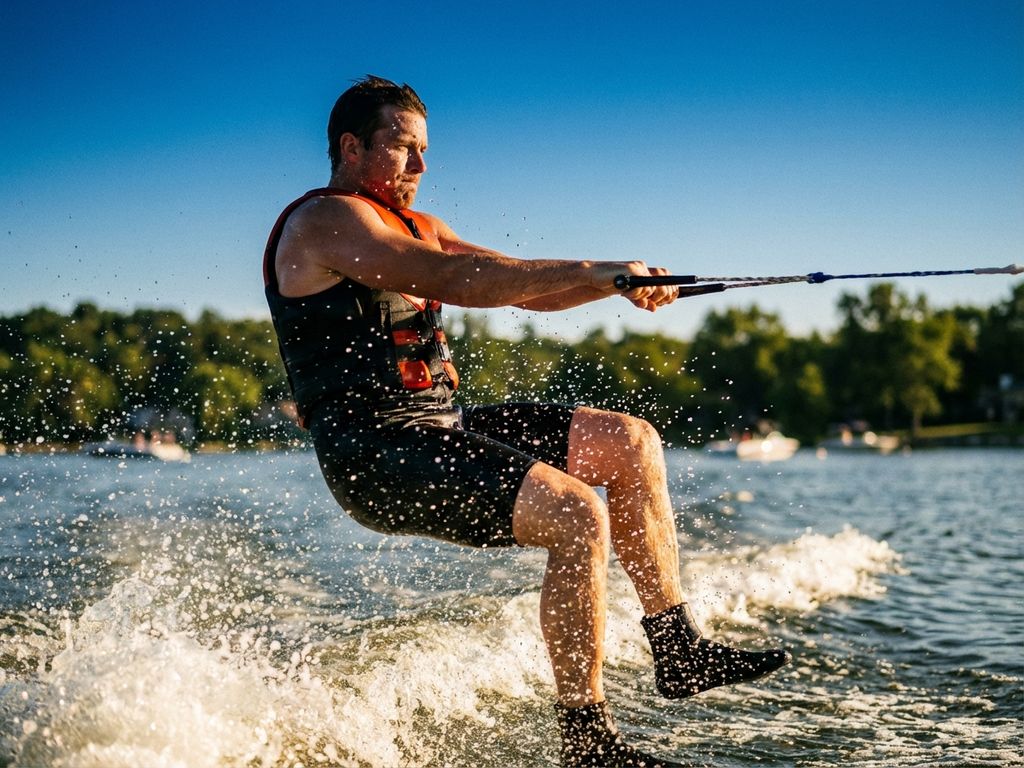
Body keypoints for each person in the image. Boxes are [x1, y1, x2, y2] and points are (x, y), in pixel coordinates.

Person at [263, 75, 791, 768]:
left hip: (440, 426)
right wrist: (599, 269)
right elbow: (457, 281)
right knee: (577, 516)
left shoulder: (421, 225)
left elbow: (513, 280)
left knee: (632, 443)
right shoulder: (325, 222)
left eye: (425, 151)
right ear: (351, 146)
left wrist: (620, 283)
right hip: (374, 453)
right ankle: (587, 741)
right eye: (403, 148)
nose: (420, 167)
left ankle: (676, 646)